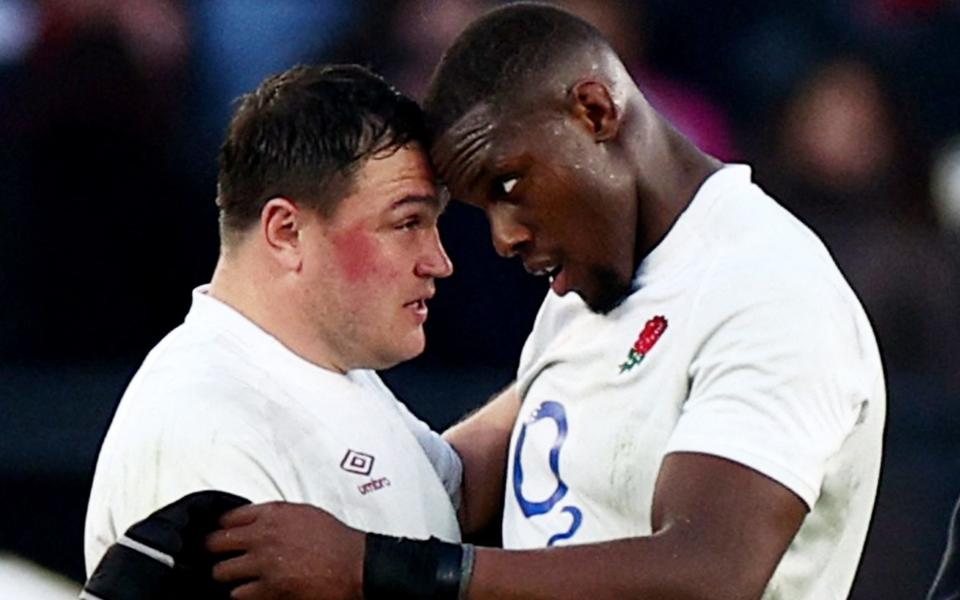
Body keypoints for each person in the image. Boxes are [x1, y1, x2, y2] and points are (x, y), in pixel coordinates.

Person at [206, 4, 886, 599]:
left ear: (594, 111)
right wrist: (258, 458)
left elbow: (707, 572)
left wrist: (380, 569)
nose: (504, 239)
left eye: (507, 185)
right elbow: (451, 483)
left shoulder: (767, 289)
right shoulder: (591, 280)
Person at [83, 63, 463, 576]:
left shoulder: (321, 371)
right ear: (286, 232)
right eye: (407, 223)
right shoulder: (206, 430)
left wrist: (567, 339)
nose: (438, 261)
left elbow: (454, 488)